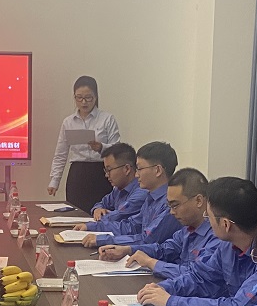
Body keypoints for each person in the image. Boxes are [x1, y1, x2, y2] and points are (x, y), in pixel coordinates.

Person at [137, 176, 257, 306]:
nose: (207, 221)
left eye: (208, 216)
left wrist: (170, 302)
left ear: (225, 224)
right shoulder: (228, 246)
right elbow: (200, 277)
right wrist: (163, 288)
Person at [99, 169, 216, 285]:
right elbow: (163, 250)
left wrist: (151, 262)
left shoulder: (216, 236)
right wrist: (127, 250)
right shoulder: (187, 229)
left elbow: (196, 277)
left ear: (199, 201)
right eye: (169, 206)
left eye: (175, 205)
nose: (172, 212)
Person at [85, 141, 181, 248]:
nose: (136, 174)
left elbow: (147, 240)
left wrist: (105, 240)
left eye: (139, 169)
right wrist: (92, 227)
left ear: (157, 170)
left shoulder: (170, 204)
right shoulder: (151, 198)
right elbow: (131, 226)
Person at [47, 76, 121, 213]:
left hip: (101, 173)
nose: (83, 102)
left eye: (88, 98)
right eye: (79, 98)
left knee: (101, 213)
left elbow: (117, 150)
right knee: (76, 214)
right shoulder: (68, 122)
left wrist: (101, 147)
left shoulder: (107, 119)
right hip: (77, 173)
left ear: (96, 97)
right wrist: (54, 181)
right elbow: (61, 154)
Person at [83, 142, 145, 230]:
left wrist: (100, 217)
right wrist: (97, 210)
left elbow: (118, 216)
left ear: (127, 169)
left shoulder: (141, 191)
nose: (106, 175)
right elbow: (101, 203)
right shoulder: (118, 189)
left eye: (109, 170)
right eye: (105, 171)